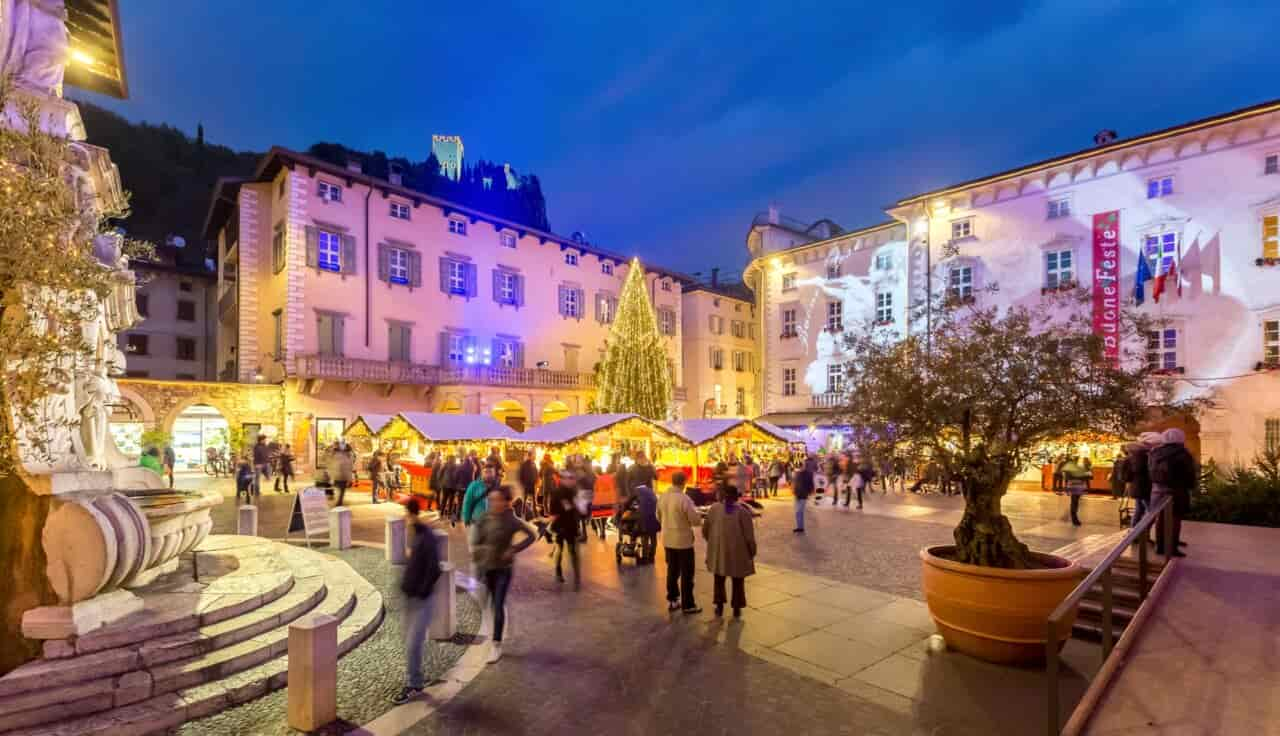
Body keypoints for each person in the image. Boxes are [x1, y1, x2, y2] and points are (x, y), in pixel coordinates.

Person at [472, 485, 537, 663]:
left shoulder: (511, 520)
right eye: (491, 500)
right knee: (489, 604)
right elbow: (477, 542)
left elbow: (532, 535)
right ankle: (492, 635)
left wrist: (514, 549)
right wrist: (479, 554)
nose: (494, 503)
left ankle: (496, 644)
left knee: (498, 604)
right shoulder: (483, 518)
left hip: (503, 569)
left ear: (505, 502)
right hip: (487, 567)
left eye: (498, 500)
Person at [391, 497, 442, 705]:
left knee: (413, 643)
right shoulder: (416, 532)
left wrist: (421, 591)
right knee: (410, 641)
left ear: (410, 513)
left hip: (422, 599)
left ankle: (414, 684)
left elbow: (434, 568)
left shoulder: (426, 536)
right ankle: (417, 676)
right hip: (411, 596)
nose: (402, 516)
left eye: (404, 511)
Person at [702, 485, 757, 618]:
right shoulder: (743, 512)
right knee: (738, 580)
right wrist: (752, 551)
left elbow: (705, 531)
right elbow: (749, 537)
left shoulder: (713, 509)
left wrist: (713, 543)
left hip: (719, 552)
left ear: (720, 495)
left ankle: (719, 606)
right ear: (736, 497)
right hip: (738, 553)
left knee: (719, 578)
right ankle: (737, 607)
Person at [658, 471, 702, 613]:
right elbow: (695, 521)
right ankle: (688, 604)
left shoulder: (663, 497)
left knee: (672, 570)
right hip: (683, 541)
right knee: (687, 573)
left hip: (667, 539)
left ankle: (673, 600)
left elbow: (657, 516)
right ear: (684, 483)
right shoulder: (684, 499)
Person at [1148, 428, 1195, 557]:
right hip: (1177, 490)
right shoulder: (1183, 453)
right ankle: (1172, 547)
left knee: (1160, 518)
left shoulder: (1155, 452)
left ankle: (1159, 546)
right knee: (1175, 519)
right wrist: (1191, 487)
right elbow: (1189, 473)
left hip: (1157, 490)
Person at [462, 465, 500, 574]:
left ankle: (486, 575)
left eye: (490, 472)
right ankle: (476, 577)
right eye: (486, 472)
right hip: (476, 523)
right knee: (475, 551)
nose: (488, 474)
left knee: (490, 551)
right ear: (482, 473)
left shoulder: (497, 486)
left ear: (494, 473)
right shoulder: (474, 485)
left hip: (492, 525)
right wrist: (466, 518)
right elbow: (468, 502)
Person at [549, 472, 581, 588]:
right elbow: (553, 511)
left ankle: (577, 577)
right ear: (562, 480)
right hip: (560, 525)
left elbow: (576, 508)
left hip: (571, 525)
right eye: (568, 479)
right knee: (560, 549)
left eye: (572, 479)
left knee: (573, 551)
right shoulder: (557, 493)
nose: (571, 481)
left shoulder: (573, 492)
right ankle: (558, 570)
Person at [633, 483, 660, 564]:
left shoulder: (636, 490)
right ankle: (652, 556)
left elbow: (630, 501)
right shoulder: (651, 490)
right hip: (654, 516)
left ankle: (645, 558)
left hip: (645, 517)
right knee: (653, 537)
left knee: (645, 537)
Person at [1061, 456, 1091, 525]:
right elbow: (1068, 477)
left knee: (1075, 502)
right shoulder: (1073, 468)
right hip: (1075, 486)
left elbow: (1088, 476)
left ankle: (1074, 518)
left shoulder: (1076, 468)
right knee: (1074, 502)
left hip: (1075, 486)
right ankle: (1074, 518)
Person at [792, 457, 815, 533]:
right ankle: (800, 527)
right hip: (797, 494)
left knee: (799, 511)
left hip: (803, 495)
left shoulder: (808, 474)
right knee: (797, 512)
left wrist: (809, 492)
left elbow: (811, 484)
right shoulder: (796, 473)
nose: (800, 467)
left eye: (801, 465)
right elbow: (795, 484)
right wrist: (794, 491)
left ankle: (800, 527)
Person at [329, 439, 355, 507]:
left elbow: (350, 466)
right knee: (341, 489)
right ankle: (339, 502)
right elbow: (350, 466)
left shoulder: (338, 454)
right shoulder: (347, 454)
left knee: (340, 489)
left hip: (340, 474)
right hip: (341, 474)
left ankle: (339, 501)